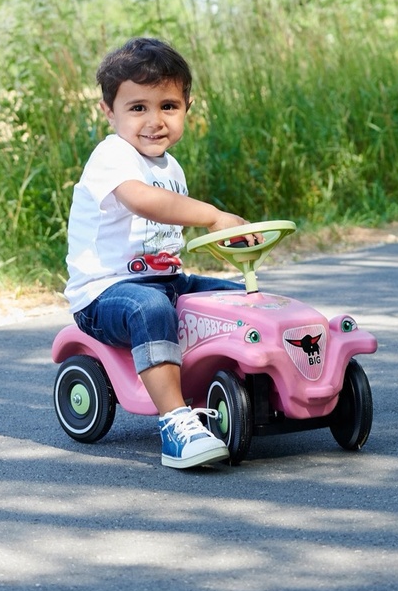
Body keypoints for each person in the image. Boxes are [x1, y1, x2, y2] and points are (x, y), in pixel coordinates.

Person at [65, 36, 256, 470]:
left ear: (187, 105)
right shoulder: (112, 155)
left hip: (166, 280)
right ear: (109, 111)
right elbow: (142, 201)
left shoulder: (170, 167)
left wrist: (230, 243)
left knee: (238, 300)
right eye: (138, 108)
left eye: (168, 106)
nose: (154, 121)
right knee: (149, 307)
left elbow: (166, 239)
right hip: (106, 293)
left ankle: (247, 398)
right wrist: (211, 216)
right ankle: (174, 424)